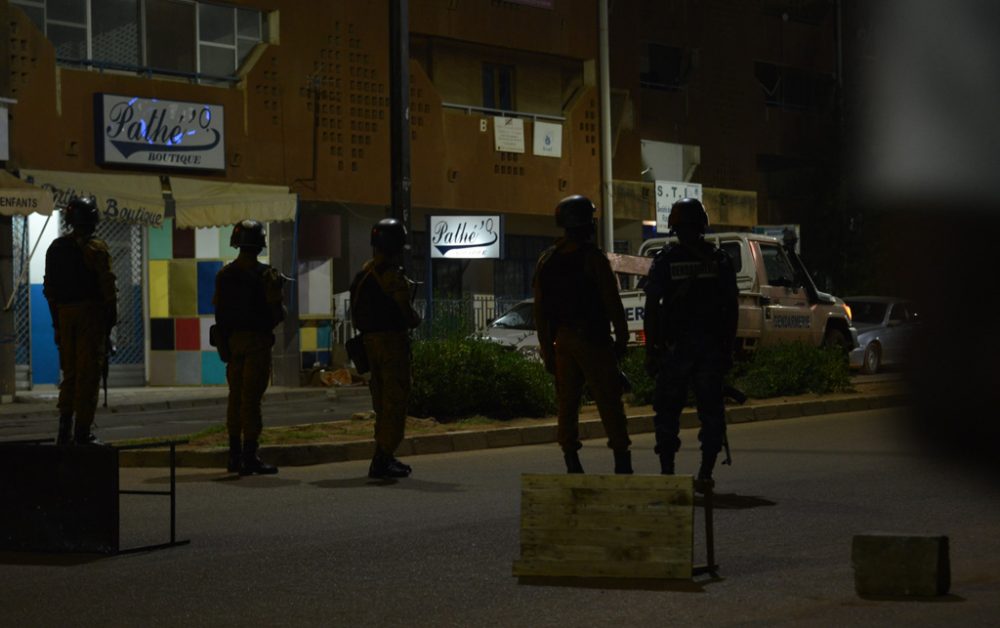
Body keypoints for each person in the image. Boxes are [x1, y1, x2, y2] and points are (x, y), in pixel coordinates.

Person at [532, 195, 633, 474]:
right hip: (593, 340)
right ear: (589, 224)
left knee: (567, 403)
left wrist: (547, 350)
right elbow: (613, 303)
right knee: (609, 401)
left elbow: (540, 311)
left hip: (562, 341)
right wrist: (622, 340)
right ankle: (622, 462)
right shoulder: (593, 258)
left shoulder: (547, 260)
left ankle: (571, 461)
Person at [643, 198, 738, 488]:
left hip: (676, 350)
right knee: (711, 413)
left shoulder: (666, 259)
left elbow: (651, 307)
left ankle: (668, 473)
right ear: (702, 226)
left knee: (667, 412)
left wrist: (651, 350)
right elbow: (731, 309)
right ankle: (706, 473)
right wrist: (727, 348)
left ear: (674, 226)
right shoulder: (719, 260)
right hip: (709, 349)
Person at [213, 220, 286, 476]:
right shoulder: (267, 275)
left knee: (235, 398)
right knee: (251, 401)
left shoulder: (224, 275)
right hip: (256, 344)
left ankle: (234, 455)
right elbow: (277, 314)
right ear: (259, 244)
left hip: (233, 344)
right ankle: (249, 456)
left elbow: (219, 312)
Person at [350, 218, 421, 479]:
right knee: (395, 400)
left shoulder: (362, 275)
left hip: (369, 344)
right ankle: (383, 457)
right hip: (391, 345)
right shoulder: (392, 276)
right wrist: (414, 319)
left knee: (381, 401)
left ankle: (384, 454)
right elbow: (406, 314)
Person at [43, 196, 117, 446]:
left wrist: (56, 323)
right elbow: (107, 287)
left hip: (64, 316)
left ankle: (64, 429)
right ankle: (83, 432)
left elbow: (49, 289)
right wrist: (110, 321)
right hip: (90, 315)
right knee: (89, 373)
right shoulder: (96, 248)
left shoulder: (56, 248)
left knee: (70, 373)